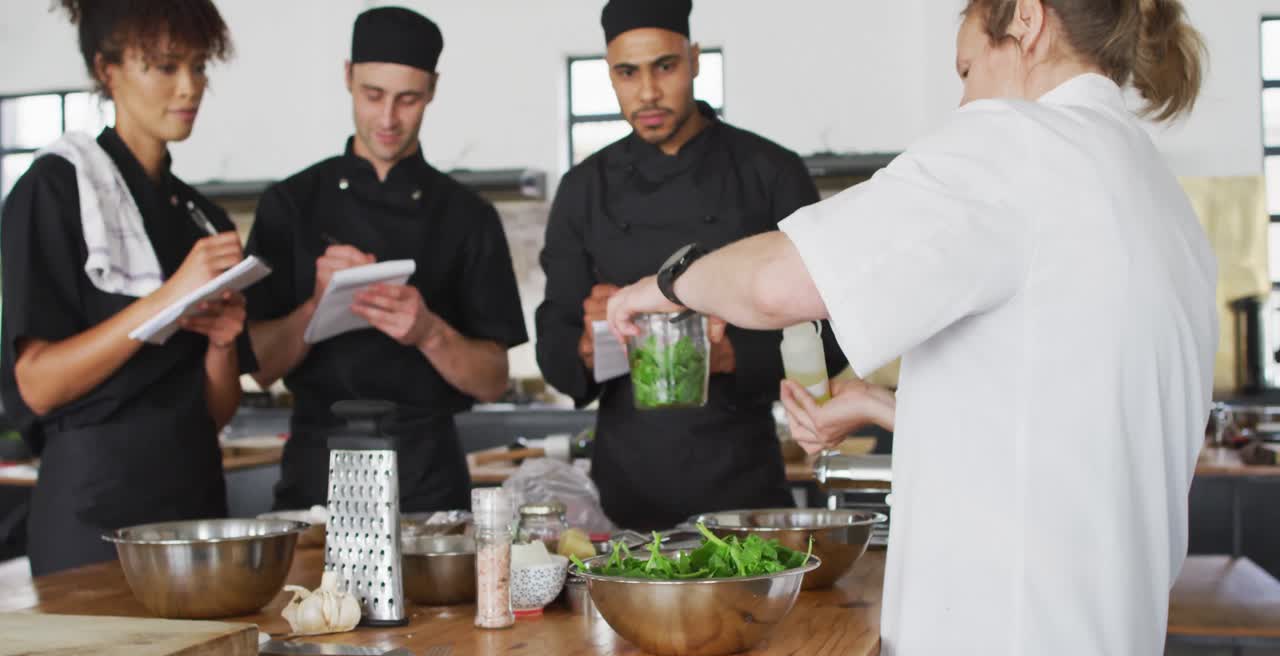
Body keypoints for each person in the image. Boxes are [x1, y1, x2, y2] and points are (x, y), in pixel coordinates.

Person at [607, 0, 1215, 656]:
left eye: (965, 69)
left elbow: (779, 285)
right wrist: (879, 405)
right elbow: (1067, 433)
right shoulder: (1148, 186)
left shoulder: (1020, 143)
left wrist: (668, 283)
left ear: (1024, 18)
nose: (963, 98)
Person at [535, 0, 846, 531]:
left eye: (665, 67)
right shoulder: (585, 189)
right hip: (622, 490)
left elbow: (833, 336)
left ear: (695, 59)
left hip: (743, 482)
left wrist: (729, 356)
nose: (648, 93)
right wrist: (585, 347)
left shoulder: (769, 172)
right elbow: (554, 352)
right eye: (626, 73)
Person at [1, 0, 249, 576]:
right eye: (165, 67)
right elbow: (37, 385)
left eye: (198, 66)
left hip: (195, 504)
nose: (189, 87)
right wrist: (168, 296)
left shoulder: (203, 218)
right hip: (94, 512)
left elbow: (215, 411)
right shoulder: (55, 190)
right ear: (106, 70)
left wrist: (222, 342)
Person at [245, 7, 527, 513]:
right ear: (348, 77)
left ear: (433, 90)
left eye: (409, 98)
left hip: (426, 473)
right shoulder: (289, 204)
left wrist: (428, 332)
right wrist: (316, 305)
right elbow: (260, 369)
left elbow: (492, 379)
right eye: (373, 95)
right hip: (316, 469)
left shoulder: (467, 215)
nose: (389, 119)